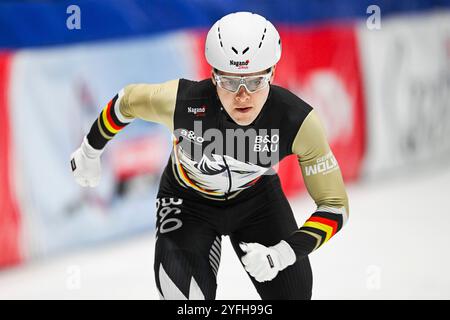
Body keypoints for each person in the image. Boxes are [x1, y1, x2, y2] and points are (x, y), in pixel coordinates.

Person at [70, 11, 349, 300]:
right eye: (230, 82)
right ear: (213, 76)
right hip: (187, 203)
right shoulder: (181, 103)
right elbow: (126, 102)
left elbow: (335, 206)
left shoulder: (297, 121)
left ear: (272, 74)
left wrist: (283, 253)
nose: (243, 95)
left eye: (254, 82)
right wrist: (89, 150)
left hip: (258, 205)